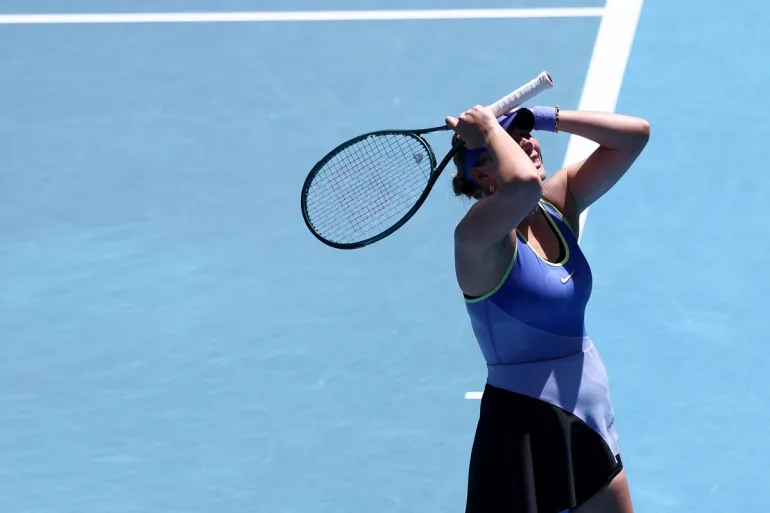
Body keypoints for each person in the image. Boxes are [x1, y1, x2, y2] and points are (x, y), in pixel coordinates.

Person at [445, 103, 650, 513]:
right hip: (524, 432)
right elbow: (521, 185)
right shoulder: (476, 240)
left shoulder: (556, 209)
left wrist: (541, 116)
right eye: (511, 141)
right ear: (483, 175)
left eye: (526, 135)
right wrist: (487, 125)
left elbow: (634, 135)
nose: (527, 144)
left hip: (591, 422)